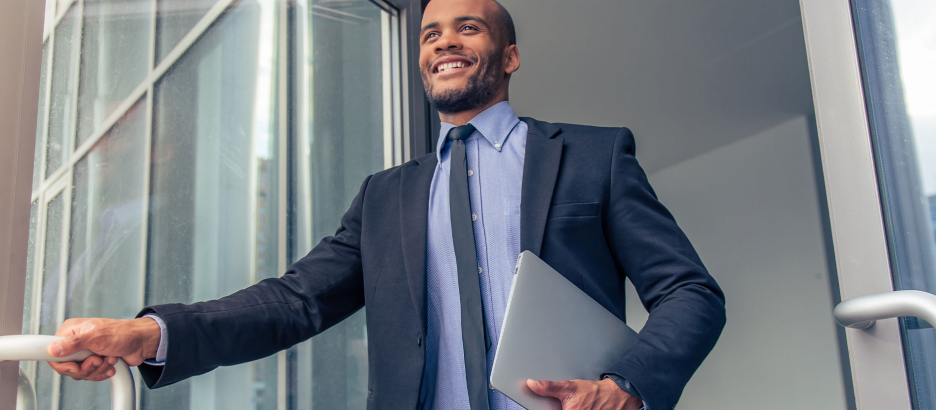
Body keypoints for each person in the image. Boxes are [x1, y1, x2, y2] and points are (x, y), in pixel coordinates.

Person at [45, 0, 726, 408]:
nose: (445, 42)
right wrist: (148, 334)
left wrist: (627, 386)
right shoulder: (385, 197)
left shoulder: (592, 156)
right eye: (430, 34)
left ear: (510, 56)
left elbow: (691, 292)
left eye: (468, 28)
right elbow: (293, 302)